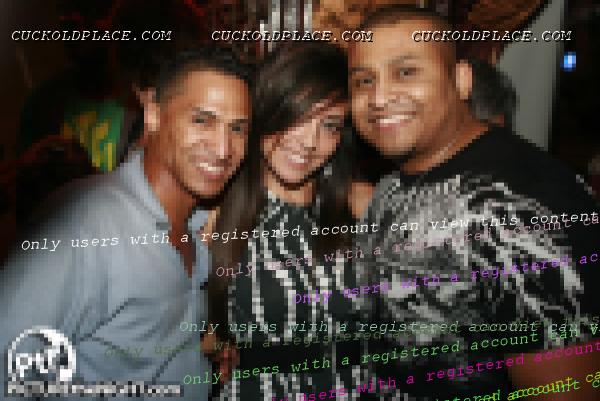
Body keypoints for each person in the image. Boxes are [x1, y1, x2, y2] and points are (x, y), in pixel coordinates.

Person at [348, 4, 600, 400]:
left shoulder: (529, 200)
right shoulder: (394, 183)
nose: (379, 97)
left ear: (461, 80)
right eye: (364, 80)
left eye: (406, 72)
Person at [0, 47, 252, 400]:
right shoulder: (82, 224)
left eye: (237, 128)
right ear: (153, 115)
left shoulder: (199, 226)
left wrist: (199, 355)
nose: (224, 148)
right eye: (202, 120)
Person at [206, 43, 371, 400]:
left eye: (329, 125)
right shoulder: (215, 213)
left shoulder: (361, 207)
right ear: (266, 108)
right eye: (297, 116)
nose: (309, 142)